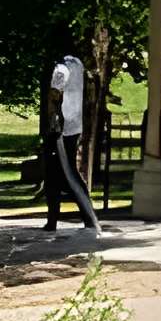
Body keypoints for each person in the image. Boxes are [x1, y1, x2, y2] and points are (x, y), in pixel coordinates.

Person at [43, 50, 99, 234]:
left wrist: (51, 120)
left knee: (58, 173)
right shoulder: (78, 64)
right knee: (65, 173)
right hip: (74, 125)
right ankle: (84, 216)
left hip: (60, 128)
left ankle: (56, 220)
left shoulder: (61, 68)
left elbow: (55, 94)